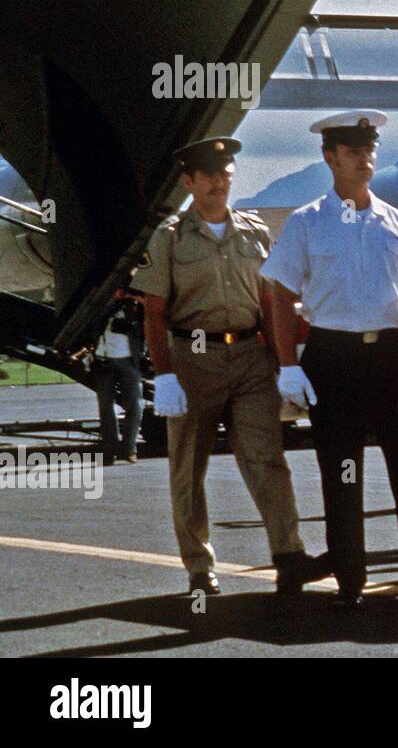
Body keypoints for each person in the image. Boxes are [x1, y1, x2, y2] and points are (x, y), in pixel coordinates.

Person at [262, 111, 398, 608]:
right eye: (353, 152)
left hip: (392, 358)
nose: (365, 160)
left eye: (370, 150)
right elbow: (279, 297)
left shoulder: (395, 221)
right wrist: (288, 365)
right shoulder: (306, 223)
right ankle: (350, 578)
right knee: (343, 471)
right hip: (335, 357)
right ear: (329, 158)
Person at [132, 138, 325, 596]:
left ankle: (289, 556)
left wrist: (286, 364)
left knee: (267, 460)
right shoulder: (170, 238)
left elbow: (268, 300)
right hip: (192, 358)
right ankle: (199, 566)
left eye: (225, 173)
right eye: (208, 175)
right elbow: (154, 311)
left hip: (249, 359)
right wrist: (164, 375)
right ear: (189, 182)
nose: (219, 182)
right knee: (188, 467)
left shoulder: (255, 232)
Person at [92, 289, 145, 465]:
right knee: (106, 407)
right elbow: (96, 321)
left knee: (135, 404)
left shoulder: (134, 307)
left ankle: (129, 448)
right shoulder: (103, 305)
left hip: (127, 358)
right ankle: (110, 451)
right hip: (103, 358)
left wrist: (131, 298)